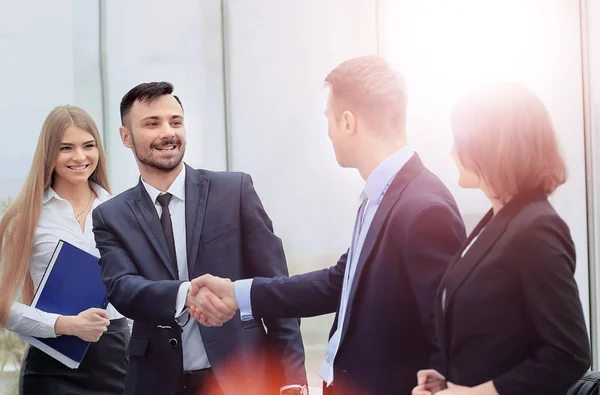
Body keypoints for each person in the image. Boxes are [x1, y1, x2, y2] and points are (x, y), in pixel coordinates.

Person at [190, 55, 466, 395]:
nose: (329, 132)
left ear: (348, 122)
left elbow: (447, 334)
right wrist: (237, 294)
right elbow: (337, 283)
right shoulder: (382, 197)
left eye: (329, 120)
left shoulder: (423, 208)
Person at [92, 82, 307, 395]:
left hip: (243, 378)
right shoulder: (111, 216)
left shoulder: (235, 191)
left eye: (175, 122)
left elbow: (275, 289)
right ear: (126, 137)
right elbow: (122, 289)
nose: (168, 132)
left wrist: (293, 381)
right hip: (157, 381)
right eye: (152, 123)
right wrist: (185, 295)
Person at [411, 83, 591, 395]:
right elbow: (499, 339)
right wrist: (452, 382)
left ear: (492, 146)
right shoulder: (496, 221)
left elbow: (569, 354)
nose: (452, 151)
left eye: (460, 140)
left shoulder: (536, 229)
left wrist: (477, 394)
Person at [0, 105, 129, 394]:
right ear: (49, 154)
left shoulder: (124, 213)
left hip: (119, 361)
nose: (80, 157)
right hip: (50, 369)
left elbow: (137, 293)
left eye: (88, 145)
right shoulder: (24, 219)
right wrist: (65, 324)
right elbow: (4, 307)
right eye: (66, 148)